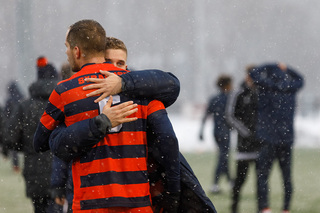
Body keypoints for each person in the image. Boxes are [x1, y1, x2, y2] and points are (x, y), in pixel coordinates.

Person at [49, 36, 217, 213]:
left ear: (127, 68)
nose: (114, 69)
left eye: (120, 63)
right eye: (108, 62)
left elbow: (172, 87)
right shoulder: (79, 100)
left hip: (126, 197)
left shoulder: (144, 97)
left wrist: (123, 83)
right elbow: (62, 147)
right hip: (100, 198)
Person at [34, 20, 181, 213]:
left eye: (67, 47)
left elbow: (40, 142)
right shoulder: (145, 93)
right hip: (137, 201)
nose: (66, 52)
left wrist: (71, 131)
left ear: (77, 51)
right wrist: (173, 192)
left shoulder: (65, 91)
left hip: (90, 203)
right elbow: (168, 139)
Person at [6, 57, 62, 213]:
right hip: (61, 172)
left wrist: (28, 147)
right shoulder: (64, 102)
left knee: (40, 208)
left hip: (34, 171)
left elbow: (10, 138)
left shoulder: (24, 106)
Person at [249, 62, 304, 213]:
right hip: (286, 139)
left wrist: (271, 65)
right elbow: (301, 79)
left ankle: (264, 207)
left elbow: (253, 73)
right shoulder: (290, 89)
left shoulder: (266, 87)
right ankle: (286, 208)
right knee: (286, 176)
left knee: (262, 175)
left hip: (267, 139)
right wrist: (287, 67)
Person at [225, 65, 261, 213]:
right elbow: (230, 116)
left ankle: (262, 208)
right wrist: (245, 132)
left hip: (260, 144)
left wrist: (262, 133)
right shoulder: (238, 92)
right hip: (244, 145)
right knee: (240, 179)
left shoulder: (262, 92)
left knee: (261, 180)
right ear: (247, 75)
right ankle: (234, 207)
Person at [199, 74, 233, 194]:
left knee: (224, 157)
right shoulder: (229, 98)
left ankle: (230, 182)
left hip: (216, 131)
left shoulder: (214, 98)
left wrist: (201, 131)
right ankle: (215, 184)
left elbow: (206, 115)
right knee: (223, 157)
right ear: (227, 85)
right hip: (225, 131)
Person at [2, 80, 25, 172]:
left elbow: (6, 114)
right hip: (23, 124)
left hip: (13, 125)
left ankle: (16, 165)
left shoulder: (9, 100)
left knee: (14, 145)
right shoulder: (22, 98)